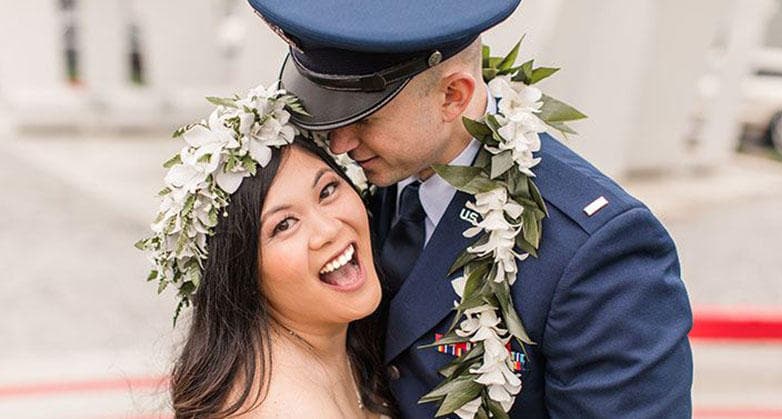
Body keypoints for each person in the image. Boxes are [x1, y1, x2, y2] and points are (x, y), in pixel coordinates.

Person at [248, 0, 694, 418]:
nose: (340, 143)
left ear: (453, 96)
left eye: (366, 117)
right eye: (334, 117)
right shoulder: (358, 187)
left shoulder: (597, 252)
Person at [139, 112, 398, 416]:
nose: (328, 230)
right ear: (241, 271)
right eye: (285, 224)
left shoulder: (336, 350)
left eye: (327, 191)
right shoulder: (285, 407)